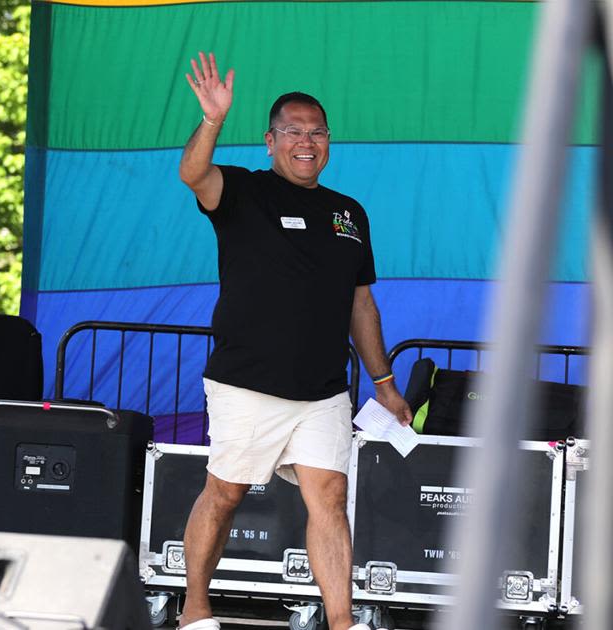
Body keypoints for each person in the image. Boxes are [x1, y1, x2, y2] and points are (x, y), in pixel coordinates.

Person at [175, 52, 413, 630]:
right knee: (225, 495)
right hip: (247, 382)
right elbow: (192, 175)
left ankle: (341, 621)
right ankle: (196, 610)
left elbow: (362, 303)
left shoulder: (348, 213)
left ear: (328, 141)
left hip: (324, 389)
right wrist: (211, 120)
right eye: (293, 132)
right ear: (270, 140)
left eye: (318, 132)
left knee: (329, 498)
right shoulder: (242, 191)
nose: (307, 142)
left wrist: (383, 384)